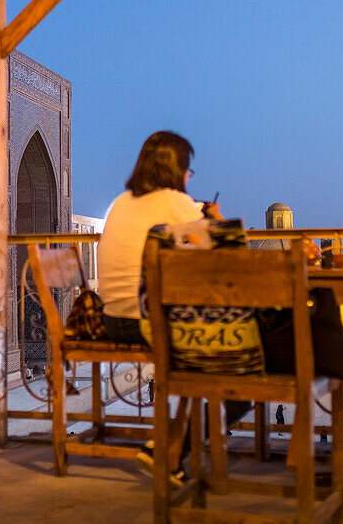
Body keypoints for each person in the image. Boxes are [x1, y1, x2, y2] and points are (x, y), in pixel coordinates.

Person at [98, 131, 224, 484]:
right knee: (235, 358)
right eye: (188, 170)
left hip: (113, 319)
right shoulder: (176, 202)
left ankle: (174, 446)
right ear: (179, 169)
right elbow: (223, 259)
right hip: (148, 323)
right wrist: (214, 219)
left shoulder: (121, 202)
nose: (188, 178)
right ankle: (173, 446)